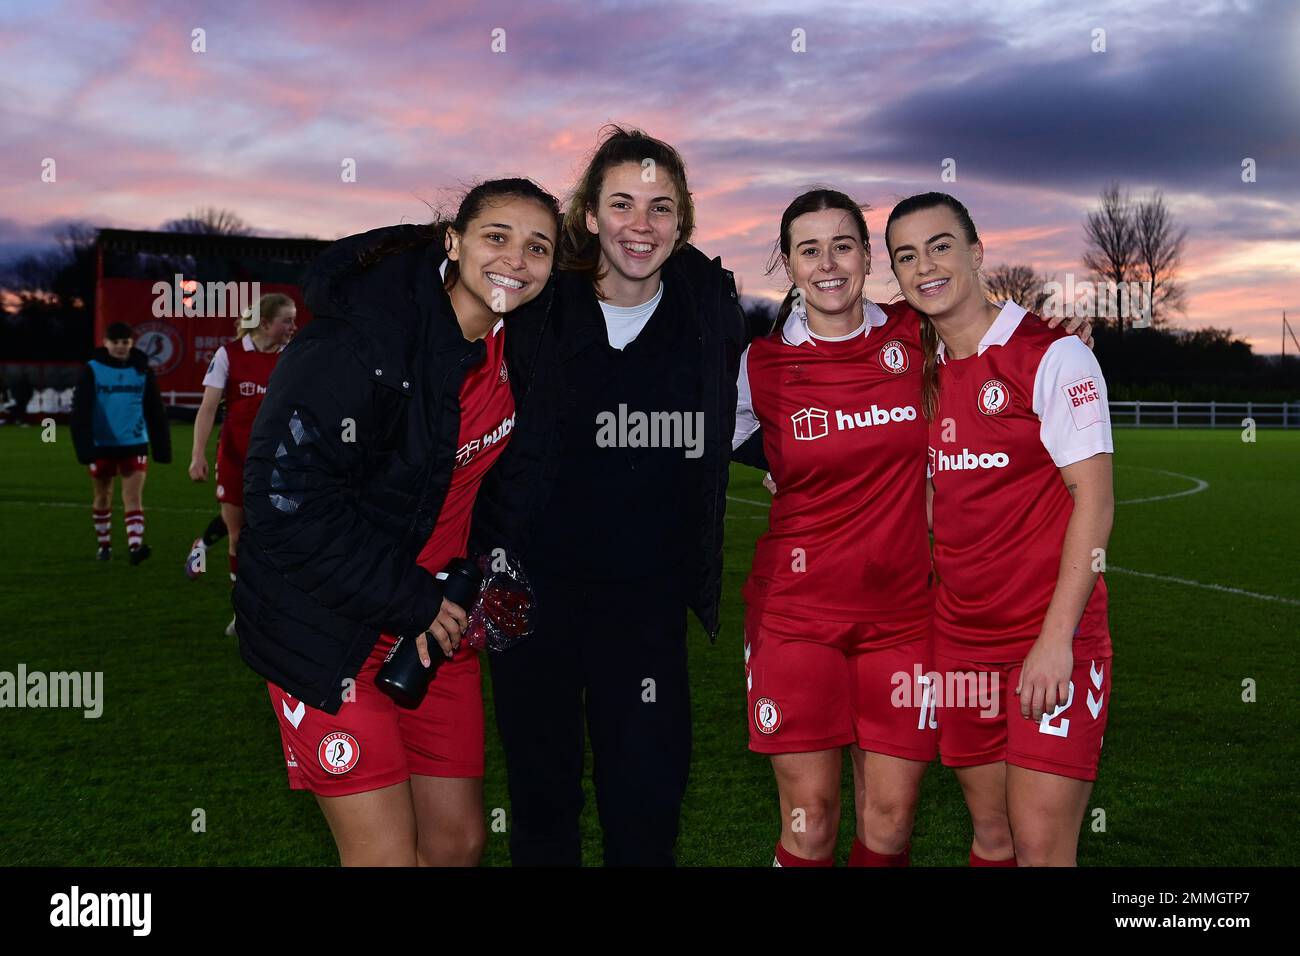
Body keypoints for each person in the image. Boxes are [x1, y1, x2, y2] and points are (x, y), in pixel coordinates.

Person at [235, 178, 560, 866]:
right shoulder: (359, 343)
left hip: (436, 632)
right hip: (331, 629)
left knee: (459, 844)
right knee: (385, 857)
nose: (516, 259)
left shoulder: (514, 348)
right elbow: (284, 502)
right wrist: (414, 599)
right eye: (496, 237)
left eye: (538, 247)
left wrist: (491, 564)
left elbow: (489, 478)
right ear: (453, 242)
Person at [470, 126, 749, 866]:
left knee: (647, 810)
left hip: (647, 604)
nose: (641, 224)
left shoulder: (708, 311)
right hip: (530, 595)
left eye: (661, 207)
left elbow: (749, 415)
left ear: (683, 222)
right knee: (541, 803)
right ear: (589, 215)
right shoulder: (532, 307)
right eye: (621, 203)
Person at [886, 191, 1114, 867]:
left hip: (1049, 642)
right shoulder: (919, 374)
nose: (925, 264)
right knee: (992, 837)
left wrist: (1055, 641)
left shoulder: (1053, 357)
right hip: (959, 646)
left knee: (1043, 850)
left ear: (977, 251)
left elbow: (1094, 506)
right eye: (906, 255)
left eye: (941, 245)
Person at [732, 190, 936, 867]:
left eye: (842, 245)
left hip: (905, 616)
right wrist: (781, 461)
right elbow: (721, 440)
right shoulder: (760, 364)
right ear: (787, 264)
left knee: (890, 820)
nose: (828, 263)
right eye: (808, 249)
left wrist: (1058, 336)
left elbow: (995, 343)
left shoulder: (915, 332)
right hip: (796, 615)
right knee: (810, 820)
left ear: (868, 257)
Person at [188, 294, 297, 634]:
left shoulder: (292, 357)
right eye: (287, 321)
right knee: (238, 535)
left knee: (276, 536)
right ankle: (243, 611)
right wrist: (197, 455)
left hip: (279, 463)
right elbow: (208, 408)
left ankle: (277, 604)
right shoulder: (228, 354)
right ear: (266, 324)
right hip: (235, 458)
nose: (294, 327)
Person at [70, 321, 172, 563]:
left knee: (133, 497)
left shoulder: (142, 370)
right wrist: (84, 447)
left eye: (125, 342)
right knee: (103, 495)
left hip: (134, 441)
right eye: (115, 342)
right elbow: (80, 410)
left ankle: (135, 547)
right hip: (101, 443)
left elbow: (154, 409)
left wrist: (161, 448)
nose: (120, 347)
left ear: (131, 343)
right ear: (105, 343)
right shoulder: (92, 369)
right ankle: (104, 545)